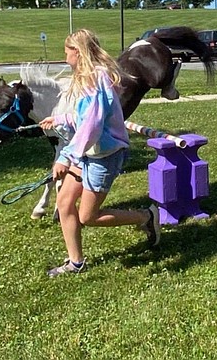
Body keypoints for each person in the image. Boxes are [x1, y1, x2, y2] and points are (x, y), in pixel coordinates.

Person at [39, 29, 161, 278]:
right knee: (64, 203)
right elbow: (86, 118)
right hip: (88, 153)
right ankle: (76, 262)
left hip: (103, 156)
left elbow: (93, 127)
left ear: (78, 52)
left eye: (67, 53)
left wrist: (65, 157)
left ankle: (146, 217)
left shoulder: (95, 81)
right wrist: (61, 118)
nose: (65, 59)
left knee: (88, 216)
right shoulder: (88, 79)